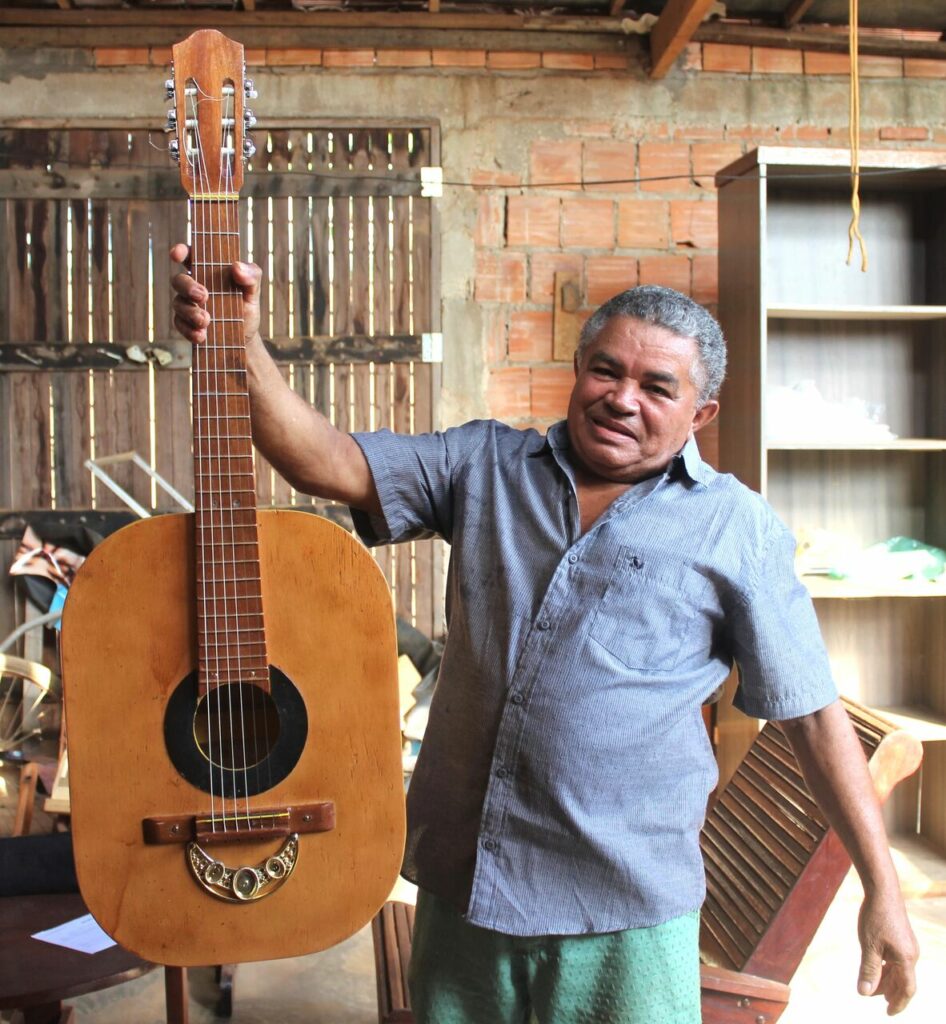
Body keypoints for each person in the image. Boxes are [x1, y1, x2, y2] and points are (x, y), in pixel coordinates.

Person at [171, 247, 918, 1022]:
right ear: (578, 368)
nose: (622, 399)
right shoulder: (486, 465)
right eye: (605, 370)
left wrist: (882, 890)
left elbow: (811, 714)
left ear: (700, 415)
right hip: (470, 880)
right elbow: (323, 459)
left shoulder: (736, 528)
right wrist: (240, 340)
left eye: (657, 387)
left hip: (623, 909)